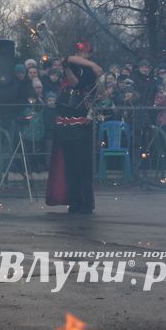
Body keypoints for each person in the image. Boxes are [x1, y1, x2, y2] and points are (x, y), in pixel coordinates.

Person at [46, 42, 102, 214]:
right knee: (69, 164)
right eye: (79, 51)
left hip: (81, 118)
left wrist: (89, 64)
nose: (80, 54)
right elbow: (71, 76)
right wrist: (67, 67)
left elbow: (79, 83)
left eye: (84, 52)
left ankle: (85, 201)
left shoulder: (92, 70)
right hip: (66, 118)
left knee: (83, 164)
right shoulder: (70, 63)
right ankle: (74, 200)